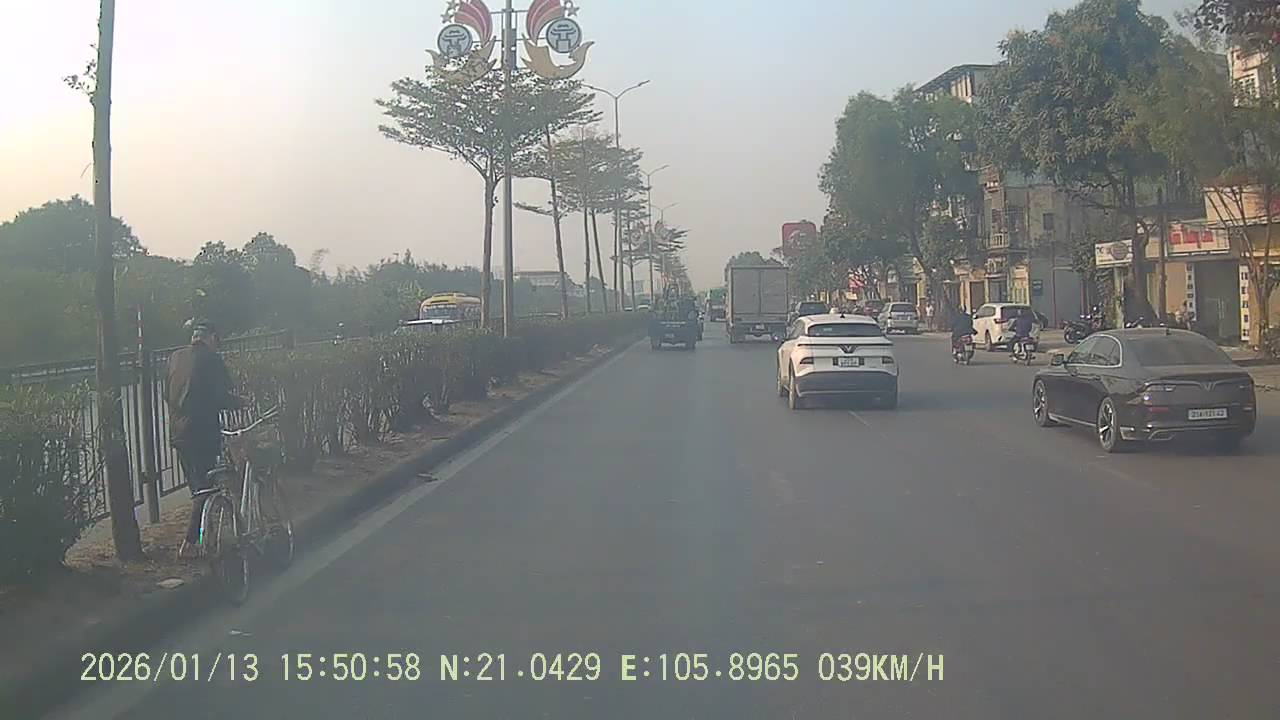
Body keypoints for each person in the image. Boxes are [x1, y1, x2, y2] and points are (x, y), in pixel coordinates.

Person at [167, 320, 244, 559]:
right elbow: (222, 395)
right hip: (203, 432)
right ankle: (191, 543)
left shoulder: (175, 357)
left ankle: (205, 535)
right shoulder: (212, 359)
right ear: (212, 338)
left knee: (197, 488)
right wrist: (241, 402)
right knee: (205, 489)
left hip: (178, 432)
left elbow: (166, 394)